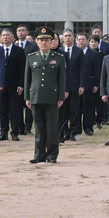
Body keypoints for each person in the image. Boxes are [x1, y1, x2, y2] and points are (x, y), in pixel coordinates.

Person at [26, 30, 68, 163]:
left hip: (52, 97)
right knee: (38, 128)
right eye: (41, 40)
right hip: (36, 96)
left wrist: (61, 97)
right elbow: (27, 79)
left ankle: (51, 155)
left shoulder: (59, 58)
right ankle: (39, 155)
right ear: (37, 42)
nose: (43, 43)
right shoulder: (31, 57)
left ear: (51, 42)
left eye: (46, 40)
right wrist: (27, 97)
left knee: (52, 128)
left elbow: (62, 79)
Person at [0, 29, 27, 142]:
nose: (5, 37)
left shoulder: (19, 51)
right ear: (0, 38)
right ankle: (3, 132)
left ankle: (15, 132)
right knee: (2, 111)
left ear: (12, 37)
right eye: (3, 35)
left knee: (15, 111)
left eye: (7, 35)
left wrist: (21, 84)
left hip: (15, 86)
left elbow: (23, 69)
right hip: (1, 85)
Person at [57, 29, 84, 140]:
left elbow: (82, 69)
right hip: (62, 85)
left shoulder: (79, 51)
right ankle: (64, 131)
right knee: (62, 110)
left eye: (69, 36)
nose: (67, 38)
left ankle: (73, 132)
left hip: (75, 85)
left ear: (73, 38)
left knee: (74, 110)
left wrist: (81, 85)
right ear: (62, 38)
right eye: (65, 36)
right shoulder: (59, 51)